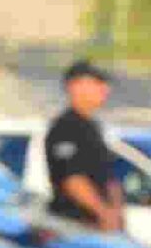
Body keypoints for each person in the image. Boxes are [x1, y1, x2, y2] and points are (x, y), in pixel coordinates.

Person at [43, 60, 123, 233]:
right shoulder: (65, 128)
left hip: (98, 223)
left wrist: (116, 211)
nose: (105, 89)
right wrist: (103, 212)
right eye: (97, 83)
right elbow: (72, 179)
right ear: (75, 87)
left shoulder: (93, 127)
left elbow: (109, 177)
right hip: (74, 225)